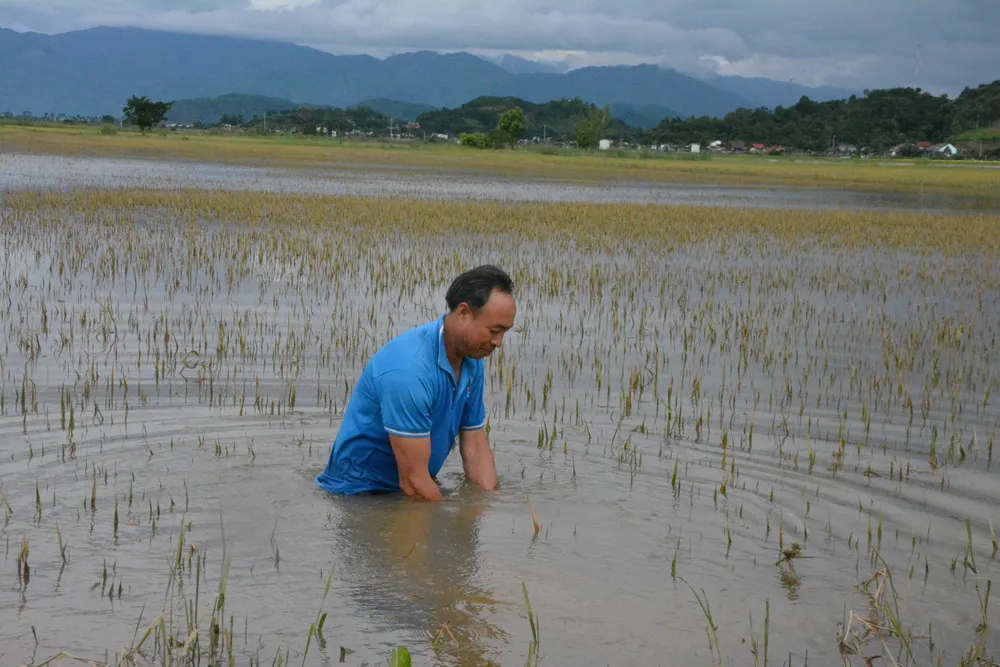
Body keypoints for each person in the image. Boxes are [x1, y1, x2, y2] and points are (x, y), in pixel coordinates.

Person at [315, 265, 516, 501]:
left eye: (505, 332)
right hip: (360, 495)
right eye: (494, 331)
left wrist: (488, 506)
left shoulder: (473, 356)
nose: (499, 342)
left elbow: (475, 448)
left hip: (416, 485)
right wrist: (447, 524)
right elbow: (413, 482)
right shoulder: (409, 369)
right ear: (463, 313)